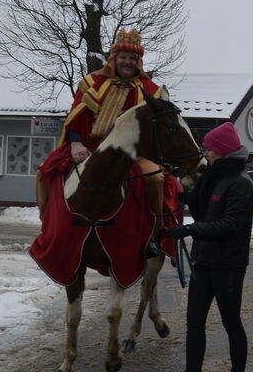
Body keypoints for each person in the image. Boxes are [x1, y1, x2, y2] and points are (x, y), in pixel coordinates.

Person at [35, 29, 172, 255]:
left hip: (131, 153)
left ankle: (154, 234)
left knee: (155, 179)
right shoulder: (92, 82)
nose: (127, 62)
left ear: (139, 62)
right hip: (89, 147)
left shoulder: (151, 91)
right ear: (113, 58)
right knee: (44, 172)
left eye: (132, 58)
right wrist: (75, 143)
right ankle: (50, 227)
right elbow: (76, 117)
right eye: (123, 57)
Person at [158, 122, 253, 372]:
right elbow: (200, 205)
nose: (206, 153)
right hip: (204, 262)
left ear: (223, 151)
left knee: (231, 323)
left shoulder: (240, 183)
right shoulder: (213, 178)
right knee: (194, 325)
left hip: (228, 265)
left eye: (210, 148)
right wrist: (175, 188)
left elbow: (231, 225)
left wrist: (191, 230)